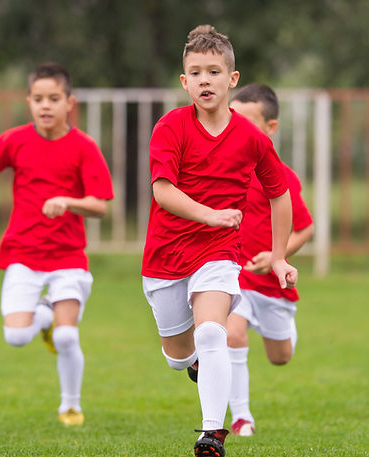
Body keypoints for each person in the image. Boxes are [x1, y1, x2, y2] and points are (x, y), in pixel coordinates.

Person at [141, 25, 297, 457]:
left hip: (218, 255)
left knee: (214, 333)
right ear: (184, 81)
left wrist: (280, 256)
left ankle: (212, 434)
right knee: (178, 355)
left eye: (214, 71)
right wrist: (211, 213)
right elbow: (163, 191)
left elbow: (280, 194)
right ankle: (192, 364)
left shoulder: (253, 139)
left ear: (231, 79)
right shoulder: (171, 127)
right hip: (165, 257)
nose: (204, 80)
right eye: (196, 72)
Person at [0, 62, 114, 426]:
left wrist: (67, 201)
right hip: (22, 255)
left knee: (68, 336)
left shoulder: (84, 148)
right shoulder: (13, 140)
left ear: (69, 102)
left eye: (54, 98)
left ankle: (70, 406)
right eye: (38, 98)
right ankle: (44, 316)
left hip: (69, 259)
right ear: (28, 102)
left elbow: (101, 206)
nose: (45, 106)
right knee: (16, 336)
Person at [225, 83, 314, 436]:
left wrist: (278, 255)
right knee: (231, 334)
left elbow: (305, 229)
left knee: (280, 357)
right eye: (233, 118)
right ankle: (241, 417)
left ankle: (284, 330)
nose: (238, 127)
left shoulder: (282, 177)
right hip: (234, 277)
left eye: (248, 121)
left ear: (270, 128)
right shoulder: (222, 171)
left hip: (272, 285)